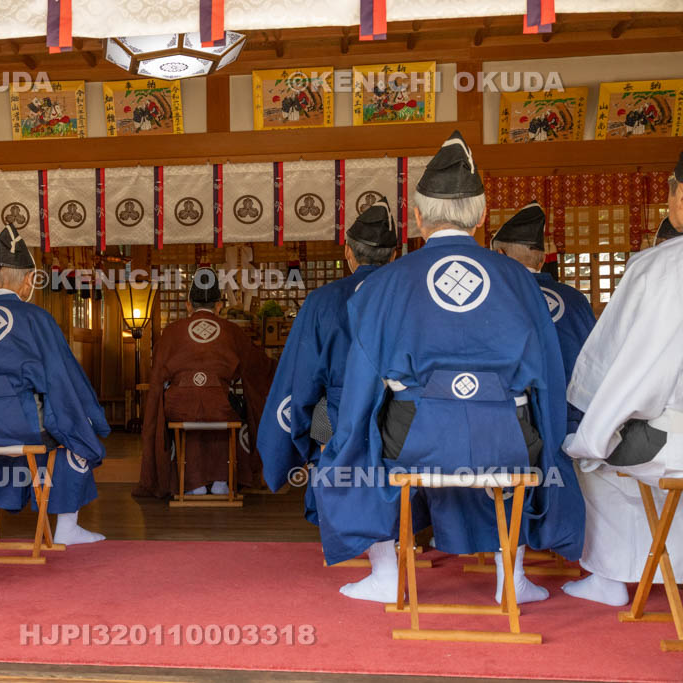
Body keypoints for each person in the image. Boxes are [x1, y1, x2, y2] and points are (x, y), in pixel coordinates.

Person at [313, 131, 583, 605]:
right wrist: (553, 443)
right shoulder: (521, 282)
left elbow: (361, 386)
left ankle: (384, 573)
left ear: (418, 218)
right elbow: (548, 374)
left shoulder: (384, 285)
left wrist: (347, 439)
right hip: (507, 438)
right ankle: (512, 577)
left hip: (415, 439)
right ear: (480, 217)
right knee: (531, 437)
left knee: (358, 440)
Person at [561, 150, 683, 607]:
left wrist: (594, 432)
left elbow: (621, 369)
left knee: (595, 457)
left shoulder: (661, 267)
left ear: (680, 195)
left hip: (674, 438)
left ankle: (609, 578)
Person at [0, 224, 107, 545]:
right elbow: (62, 377)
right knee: (74, 430)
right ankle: (67, 528)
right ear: (29, 280)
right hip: (22, 426)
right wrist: (89, 415)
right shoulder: (35, 318)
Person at [258, 197, 397, 523]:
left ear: (348, 251)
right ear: (394, 256)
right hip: (399, 417)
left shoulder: (321, 302)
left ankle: (340, 523)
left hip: (338, 418)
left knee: (319, 419)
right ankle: (402, 527)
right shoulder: (408, 297)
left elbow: (302, 376)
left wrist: (300, 434)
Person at [136, 268, 273, 498]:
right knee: (231, 407)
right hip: (220, 407)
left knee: (183, 408)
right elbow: (259, 368)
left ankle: (192, 484)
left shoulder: (170, 333)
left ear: (188, 304)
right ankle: (222, 481)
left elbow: (157, 378)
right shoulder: (232, 331)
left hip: (179, 408)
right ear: (219, 305)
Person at [491, 202, 596, 434]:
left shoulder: (496, 300)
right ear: (541, 261)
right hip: (576, 424)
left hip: (518, 423)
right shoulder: (577, 300)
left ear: (500, 255)